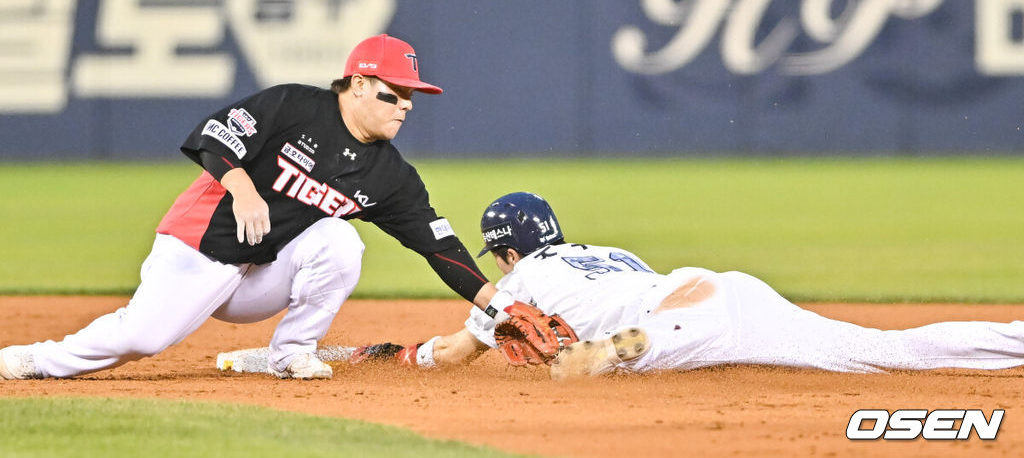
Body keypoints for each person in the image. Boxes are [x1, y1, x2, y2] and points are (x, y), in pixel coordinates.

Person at [0, 34, 504, 381]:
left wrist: (500, 310)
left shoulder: (389, 175)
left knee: (340, 241)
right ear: (357, 84)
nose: (407, 105)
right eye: (395, 93)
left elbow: (439, 246)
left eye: (412, 96)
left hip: (260, 275)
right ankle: (34, 359)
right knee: (144, 337)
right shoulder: (295, 106)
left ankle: (291, 354)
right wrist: (241, 186)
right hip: (200, 247)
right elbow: (212, 137)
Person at [346, 192, 1024, 379]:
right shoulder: (607, 251)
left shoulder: (521, 280)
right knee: (888, 350)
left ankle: (619, 349)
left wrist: (399, 357)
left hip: (679, 319)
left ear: (506, 252)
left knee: (589, 363)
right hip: (725, 293)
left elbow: (458, 353)